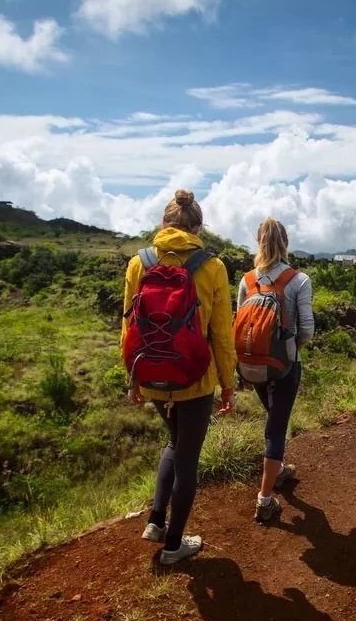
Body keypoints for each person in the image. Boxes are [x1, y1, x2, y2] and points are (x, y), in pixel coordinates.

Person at [122, 189, 237, 565]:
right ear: (198, 228)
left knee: (173, 442)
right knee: (187, 456)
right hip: (195, 380)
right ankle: (173, 546)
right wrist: (228, 385)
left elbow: (127, 329)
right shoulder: (213, 267)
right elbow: (222, 333)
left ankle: (156, 521)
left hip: (152, 374)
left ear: (164, 224)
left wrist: (133, 379)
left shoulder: (138, 263)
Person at [238, 218, 314, 524]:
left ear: (259, 242)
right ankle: (265, 500)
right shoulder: (299, 280)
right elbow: (307, 329)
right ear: (286, 242)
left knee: (273, 417)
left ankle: (279, 468)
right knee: (276, 427)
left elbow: (238, 324)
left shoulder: (246, 280)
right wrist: (291, 349)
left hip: (252, 365)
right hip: (284, 366)